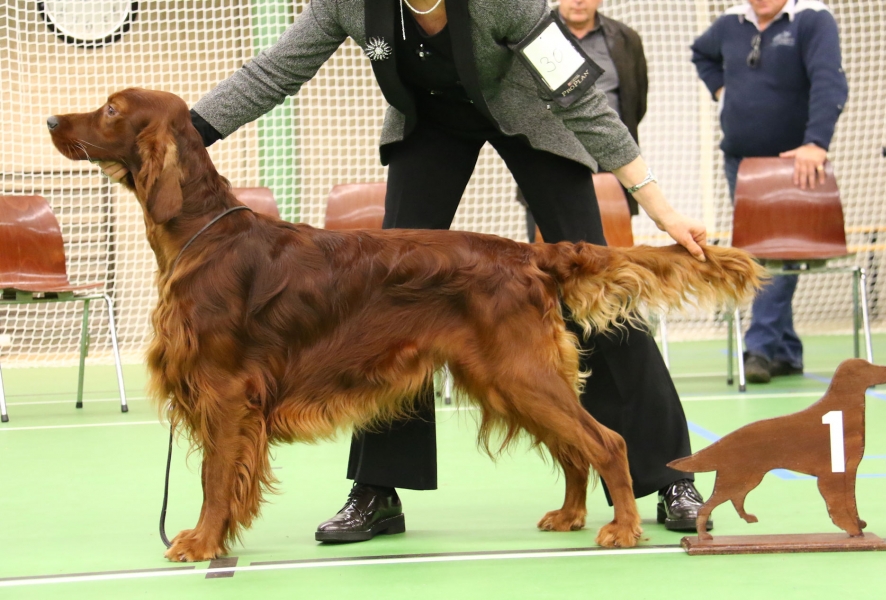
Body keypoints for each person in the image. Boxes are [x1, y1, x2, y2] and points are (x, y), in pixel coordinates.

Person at [106, 0, 712, 540]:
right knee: (383, 297)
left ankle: (670, 477)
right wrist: (182, 137)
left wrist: (657, 205)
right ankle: (378, 490)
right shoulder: (348, 4)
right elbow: (273, 72)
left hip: (533, 118)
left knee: (603, 295)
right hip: (430, 124)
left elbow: (579, 95)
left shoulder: (508, 2)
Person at [692, 0, 848, 384]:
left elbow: (829, 81)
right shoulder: (729, 22)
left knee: (779, 251)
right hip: (740, 161)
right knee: (761, 251)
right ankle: (786, 353)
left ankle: (759, 347)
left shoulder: (812, 19)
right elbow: (701, 53)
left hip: (794, 162)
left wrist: (816, 143)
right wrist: (721, 90)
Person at [518, 0, 647, 241]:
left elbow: (636, 101)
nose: (578, 1)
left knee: (614, 248)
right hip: (549, 157)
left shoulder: (626, 38)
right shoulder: (530, 31)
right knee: (547, 252)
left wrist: (610, 135)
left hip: (610, 159)